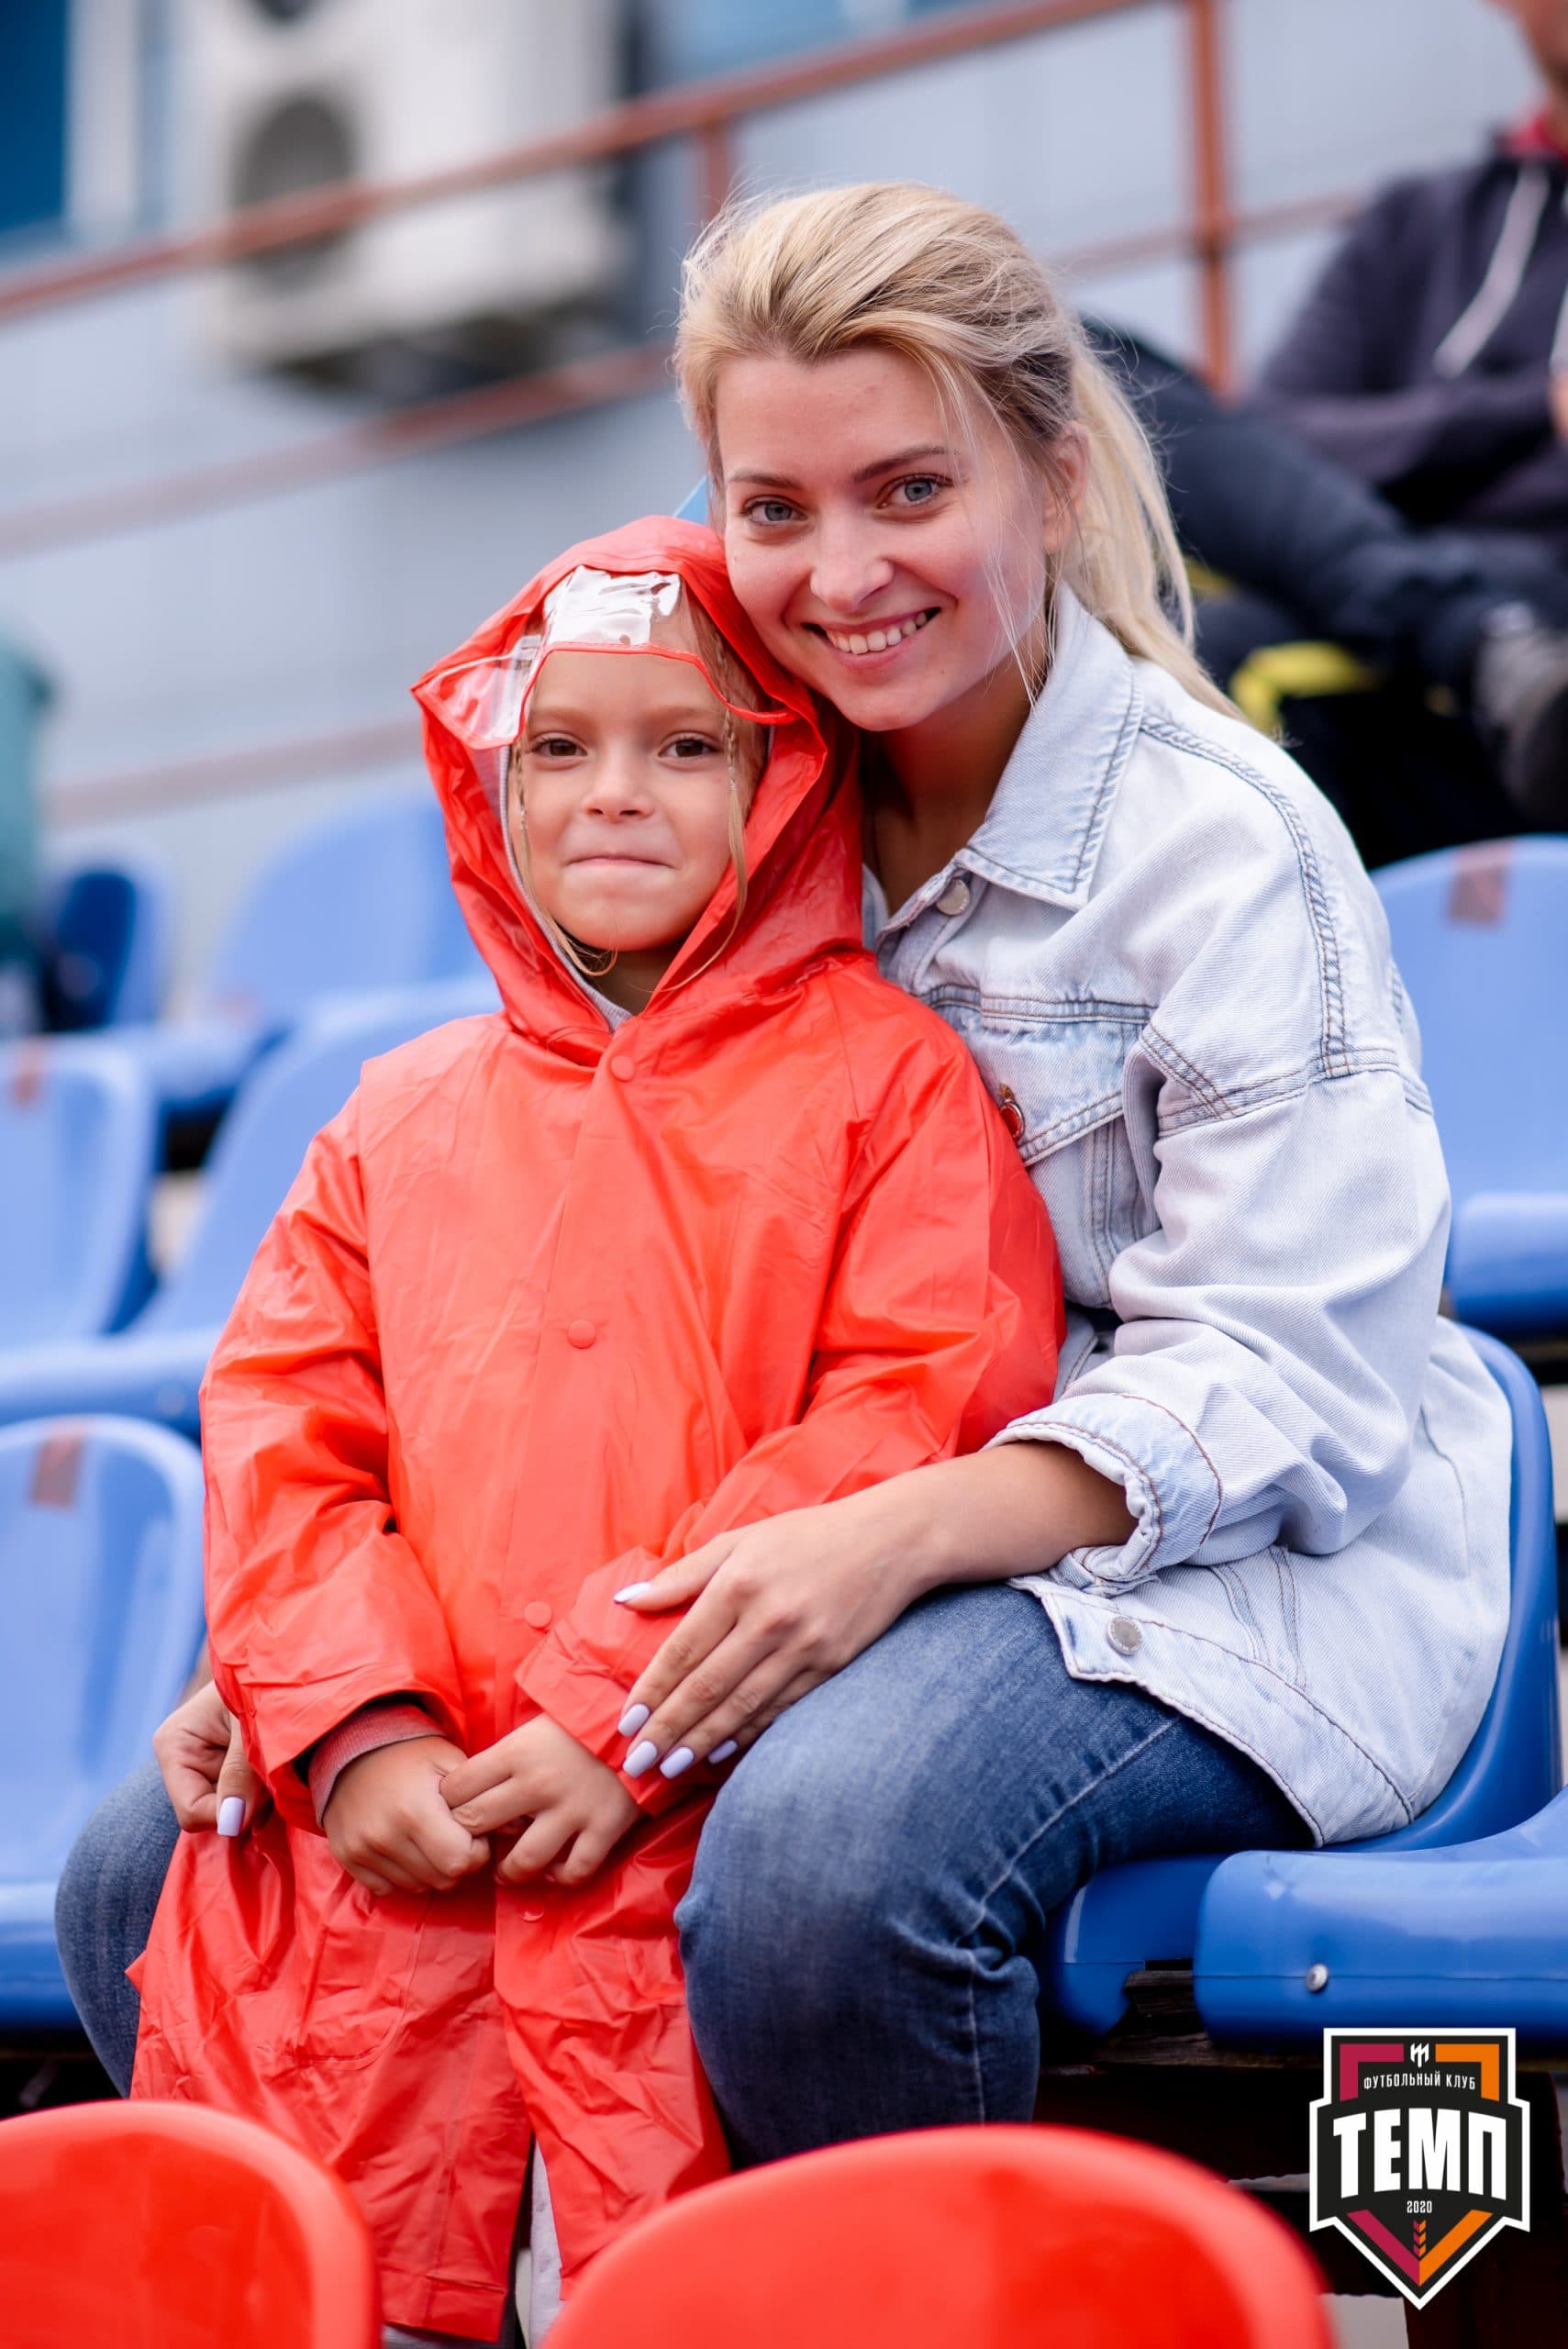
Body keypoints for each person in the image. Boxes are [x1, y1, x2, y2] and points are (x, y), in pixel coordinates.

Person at [61, 178, 1511, 2313]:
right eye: (778, 505)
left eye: (911, 487)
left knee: (826, 1860)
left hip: (1215, 1572)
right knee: (162, 1857)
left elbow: (1294, 1379)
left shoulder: (1219, 845)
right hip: (749, 1550)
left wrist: (898, 1532)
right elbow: (560, 1317)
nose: (843, 574)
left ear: (1056, 462)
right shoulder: (723, 778)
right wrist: (344, 1675)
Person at [124, 516, 1064, 2345]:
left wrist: (607, 1713)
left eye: (684, 744)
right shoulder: (388, 1119)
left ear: (784, 778)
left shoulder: (888, 1086)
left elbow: (901, 1413)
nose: (611, 794)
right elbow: (285, 1434)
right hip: (403, 1837)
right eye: (558, 748)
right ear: (492, 784)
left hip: (676, 1800)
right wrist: (355, 1729)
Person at [1243, 0, 1568, 821]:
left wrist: (1392, 448)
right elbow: (1273, 438)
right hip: (1378, 599)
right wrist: (1535, 408)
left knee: (1214, 651)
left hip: (1533, 622)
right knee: (1110, 355)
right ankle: (1473, 631)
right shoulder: (1413, 221)